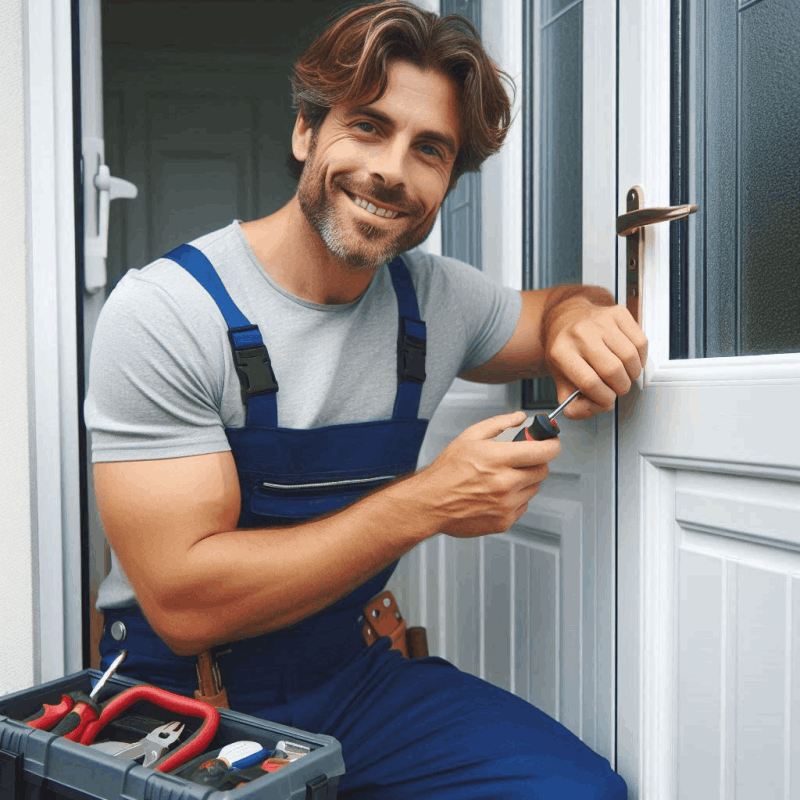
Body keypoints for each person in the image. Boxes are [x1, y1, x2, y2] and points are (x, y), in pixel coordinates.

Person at [86, 2, 644, 797]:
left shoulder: (436, 300)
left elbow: (551, 308)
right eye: (369, 126)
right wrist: (428, 502)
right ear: (306, 132)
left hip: (352, 678)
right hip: (177, 698)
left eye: (430, 150)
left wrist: (580, 322)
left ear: (449, 180)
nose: (392, 170)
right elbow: (184, 602)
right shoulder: (170, 312)